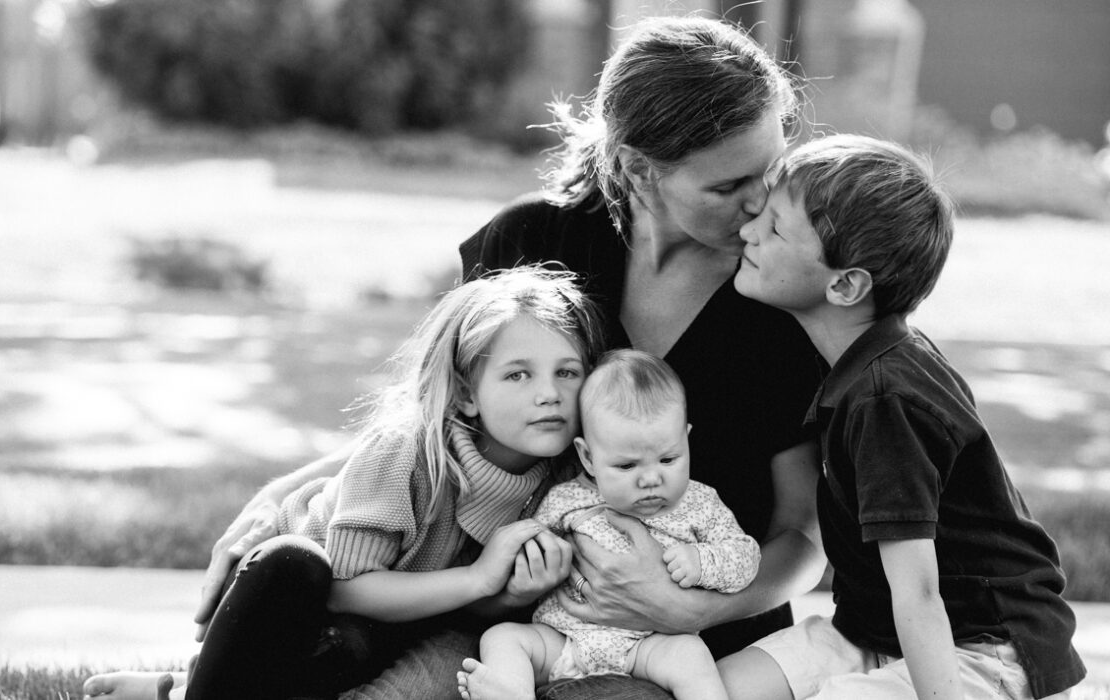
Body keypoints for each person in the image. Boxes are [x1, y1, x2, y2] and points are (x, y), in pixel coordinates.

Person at [185, 14, 827, 700]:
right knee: (343, 641)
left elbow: (803, 537)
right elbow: (443, 415)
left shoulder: (776, 294)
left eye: (771, 171)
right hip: (506, 614)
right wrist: (282, 492)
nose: (761, 203)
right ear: (641, 170)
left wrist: (692, 610)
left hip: (686, 639)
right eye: (730, 187)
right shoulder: (534, 242)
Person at [83, 266, 605, 700]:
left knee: (436, 660)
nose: (550, 395)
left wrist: (510, 595)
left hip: (405, 621)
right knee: (306, 583)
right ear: (467, 394)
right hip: (300, 602)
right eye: (519, 374)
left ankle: (172, 691)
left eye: (568, 372)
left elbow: (469, 606)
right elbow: (344, 589)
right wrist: (481, 579)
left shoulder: (565, 481)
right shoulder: (407, 453)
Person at [718, 133, 1087, 699]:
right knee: (716, 686)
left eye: (772, 229)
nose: (746, 231)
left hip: (982, 648)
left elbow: (919, 594)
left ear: (845, 285)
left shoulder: (885, 399)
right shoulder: (857, 361)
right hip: (872, 630)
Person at [457, 349, 761, 700]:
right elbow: (530, 545)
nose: (650, 478)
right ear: (588, 456)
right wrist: (534, 564)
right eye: (627, 466)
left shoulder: (700, 502)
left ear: (687, 440)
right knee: (502, 638)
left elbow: (745, 555)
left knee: (691, 657)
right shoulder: (566, 499)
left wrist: (701, 561)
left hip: (648, 646)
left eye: (668, 458)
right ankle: (513, 692)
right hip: (564, 639)